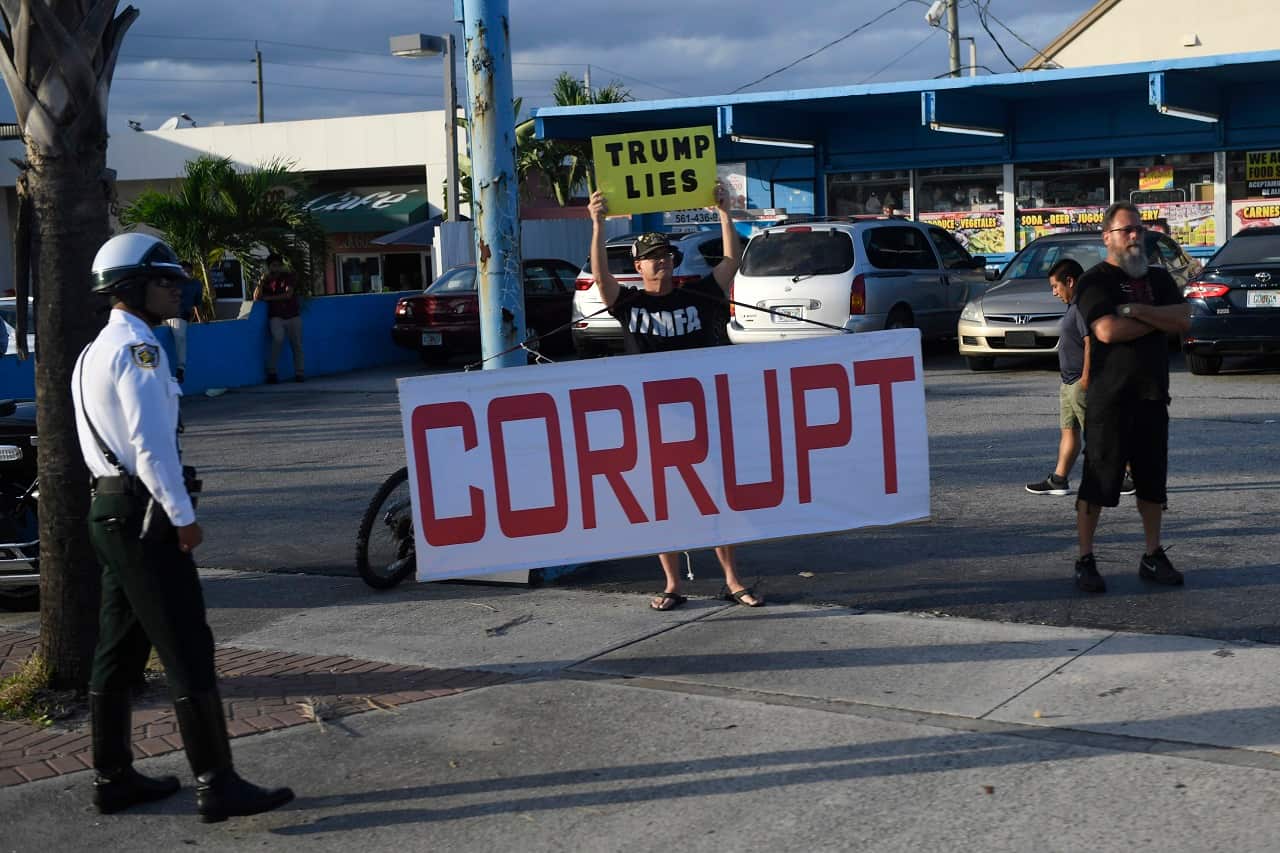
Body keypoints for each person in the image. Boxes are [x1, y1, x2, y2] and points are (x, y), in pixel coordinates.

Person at [72, 233, 294, 822]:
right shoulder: (141, 349)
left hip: (110, 509)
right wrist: (182, 516)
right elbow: (149, 444)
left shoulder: (96, 349)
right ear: (130, 287)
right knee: (187, 646)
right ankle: (217, 784)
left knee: (119, 649)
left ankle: (113, 776)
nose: (177, 289)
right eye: (165, 281)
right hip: (145, 515)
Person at [587, 183, 762, 611]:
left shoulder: (698, 296)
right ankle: (672, 584)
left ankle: (732, 579)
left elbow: (731, 261)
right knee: (662, 503)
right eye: (651, 256)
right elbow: (600, 277)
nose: (659, 261)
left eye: (664, 255)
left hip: (702, 418)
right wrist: (597, 224)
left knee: (718, 498)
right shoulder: (627, 303)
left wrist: (724, 212)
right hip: (651, 422)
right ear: (639, 265)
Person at [1072, 202, 1191, 593]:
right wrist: (1157, 321)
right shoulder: (1095, 281)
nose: (1136, 236)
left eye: (1139, 229)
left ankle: (1152, 554)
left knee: (1153, 481)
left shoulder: (1157, 279)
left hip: (1153, 395)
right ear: (1108, 237)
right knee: (1099, 480)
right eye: (1127, 230)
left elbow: (1186, 319)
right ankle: (1085, 559)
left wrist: (1137, 310)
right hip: (1110, 398)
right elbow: (1106, 331)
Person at [1026, 260, 1135, 498]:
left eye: (1056, 286)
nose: (1054, 292)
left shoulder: (1082, 307)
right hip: (1068, 383)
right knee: (1069, 432)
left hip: (1080, 383)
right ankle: (1059, 480)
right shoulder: (1072, 305)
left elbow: (1090, 342)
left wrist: (1086, 378)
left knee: (1100, 433)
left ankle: (1131, 474)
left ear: (1070, 281)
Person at [253, 253, 304, 383]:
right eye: (273, 266)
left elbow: (288, 294)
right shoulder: (267, 280)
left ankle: (299, 373)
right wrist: (261, 281)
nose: (276, 268)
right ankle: (272, 372)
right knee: (278, 339)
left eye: (278, 265)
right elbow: (256, 297)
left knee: (296, 344)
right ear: (269, 267)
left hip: (292, 315)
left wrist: (269, 298)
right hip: (276, 316)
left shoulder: (288, 276)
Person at [164, 261, 204, 384]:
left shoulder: (196, 284)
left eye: (188, 271)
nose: (187, 273)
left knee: (180, 338)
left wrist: (201, 318)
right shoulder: (172, 283)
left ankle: (180, 369)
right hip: (165, 316)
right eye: (184, 271)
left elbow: (197, 304)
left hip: (180, 316)